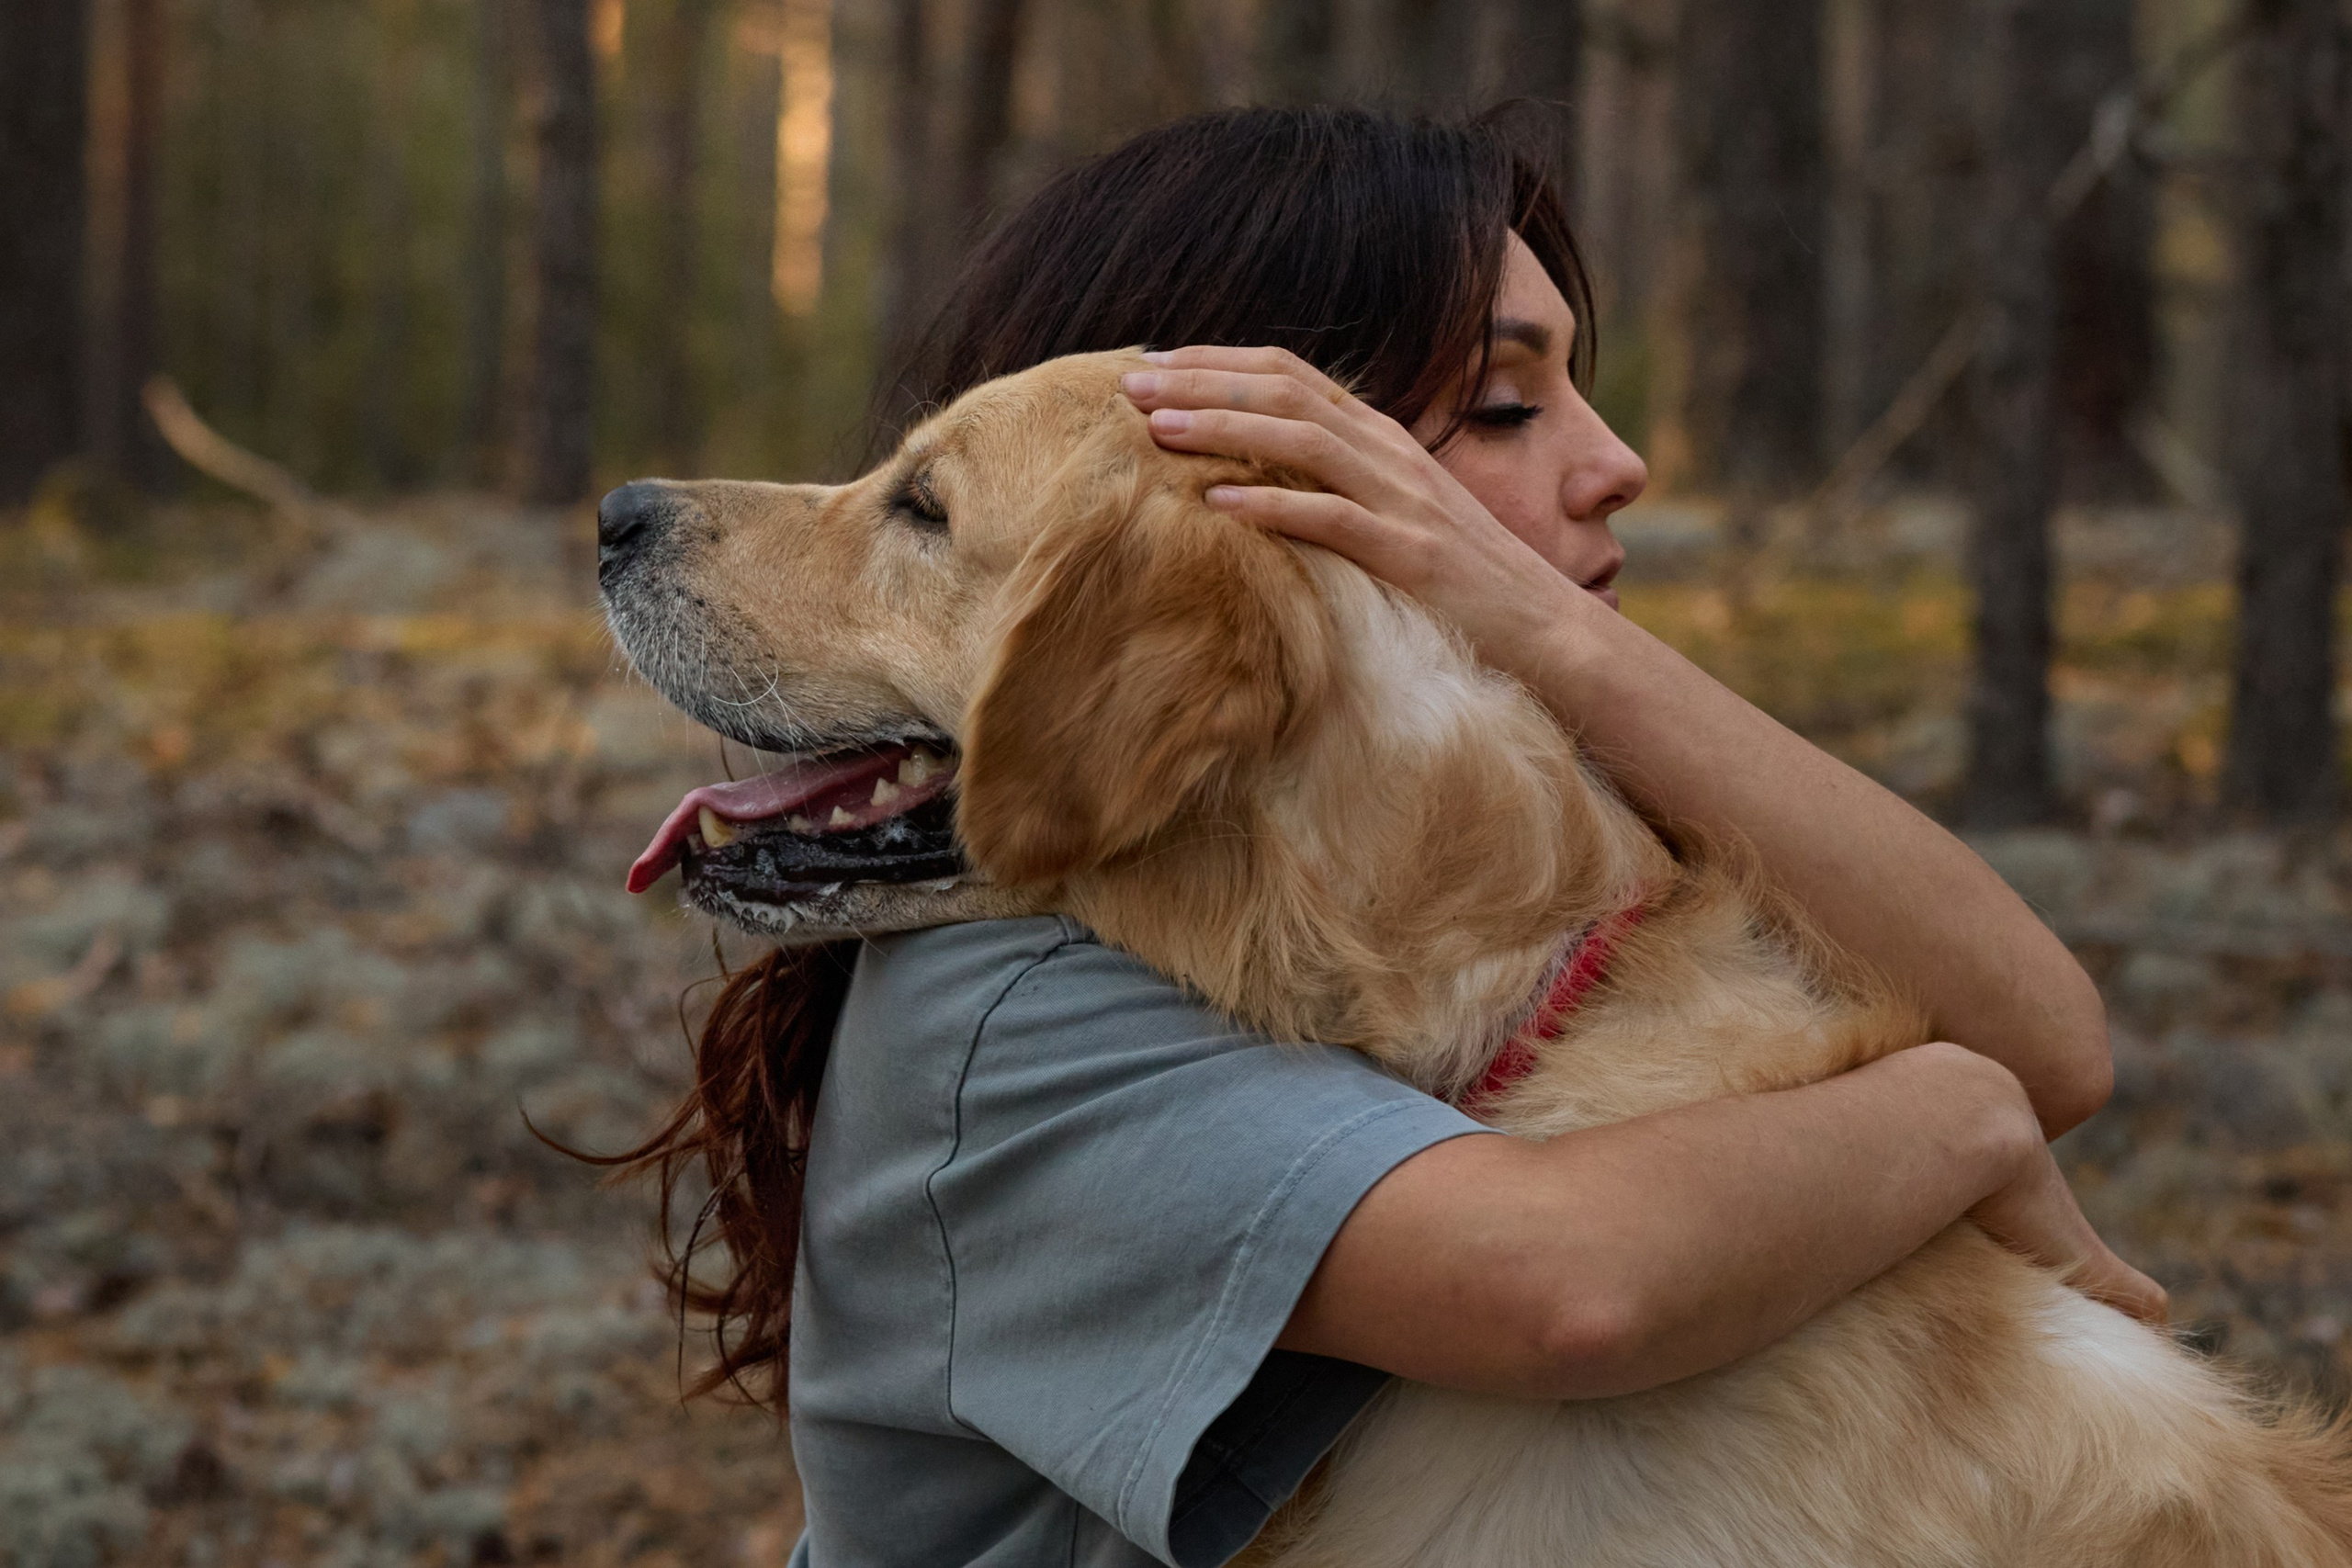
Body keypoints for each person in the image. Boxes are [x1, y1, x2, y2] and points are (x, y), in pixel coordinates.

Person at [634, 107, 2165, 1568]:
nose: (1620, 455)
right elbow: (1569, 1286)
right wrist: (1957, 1112)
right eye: (1505, 404)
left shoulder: (1503, 864)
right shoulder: (1013, 1003)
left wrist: (1551, 637)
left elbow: (2056, 1047)